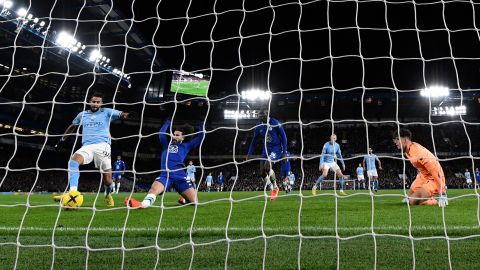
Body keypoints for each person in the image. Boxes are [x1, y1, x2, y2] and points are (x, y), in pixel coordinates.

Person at [53, 92, 130, 207]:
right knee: (73, 162)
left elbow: (121, 114)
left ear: (101, 103)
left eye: (98, 102)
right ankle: (72, 192)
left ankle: (108, 195)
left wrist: (125, 114)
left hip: (103, 146)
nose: (95, 104)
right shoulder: (82, 115)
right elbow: (72, 126)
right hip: (87, 146)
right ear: (89, 102)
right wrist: (62, 140)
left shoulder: (106, 112)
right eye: (93, 101)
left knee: (108, 179)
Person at [125, 120, 204, 208]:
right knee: (154, 189)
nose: (174, 136)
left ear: (183, 138)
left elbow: (201, 136)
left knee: (195, 202)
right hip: (165, 175)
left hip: (180, 176)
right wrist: (168, 121)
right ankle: (142, 204)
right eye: (173, 134)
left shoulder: (186, 146)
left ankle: (184, 200)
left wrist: (201, 122)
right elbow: (162, 133)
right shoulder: (166, 144)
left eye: (177, 135)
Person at [393, 129, 447, 206]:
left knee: (412, 201)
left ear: (405, 139)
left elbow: (435, 171)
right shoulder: (408, 149)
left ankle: (436, 200)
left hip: (434, 178)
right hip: (423, 176)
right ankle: (423, 196)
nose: (395, 142)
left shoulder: (418, 153)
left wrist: (442, 192)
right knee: (408, 198)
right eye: (394, 140)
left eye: (398, 139)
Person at [246, 110, 288, 200]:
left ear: (267, 114)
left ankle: (275, 187)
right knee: (262, 172)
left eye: (263, 115)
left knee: (267, 166)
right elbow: (253, 142)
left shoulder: (275, 122)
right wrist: (249, 154)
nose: (261, 117)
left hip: (276, 149)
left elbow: (284, 137)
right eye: (260, 116)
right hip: (265, 150)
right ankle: (271, 188)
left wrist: (284, 152)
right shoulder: (259, 126)